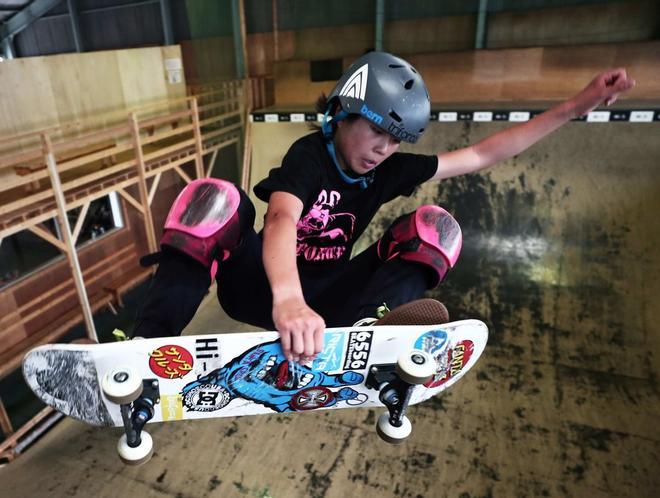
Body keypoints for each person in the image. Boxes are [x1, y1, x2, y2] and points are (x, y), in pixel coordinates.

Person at [132, 51, 634, 364]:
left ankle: (374, 336)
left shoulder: (387, 171)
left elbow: (482, 153)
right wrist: (287, 298)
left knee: (435, 227)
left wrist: (576, 106)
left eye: (396, 141)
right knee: (218, 197)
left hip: (328, 305)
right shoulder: (309, 157)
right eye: (376, 130)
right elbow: (283, 218)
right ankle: (142, 347)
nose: (383, 149)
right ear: (342, 115)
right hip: (259, 288)